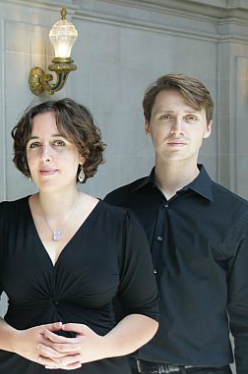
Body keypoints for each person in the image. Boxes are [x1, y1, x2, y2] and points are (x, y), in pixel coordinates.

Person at [0, 98, 159, 373]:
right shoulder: (3, 220)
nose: (45, 155)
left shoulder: (121, 225)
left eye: (59, 143)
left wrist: (101, 347)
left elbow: (146, 314)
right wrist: (17, 341)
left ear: (83, 153)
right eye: (35, 144)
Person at [105, 74, 248, 374]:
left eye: (191, 118)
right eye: (166, 117)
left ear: (207, 127)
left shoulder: (236, 215)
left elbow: (246, 317)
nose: (177, 129)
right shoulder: (116, 205)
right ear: (148, 125)